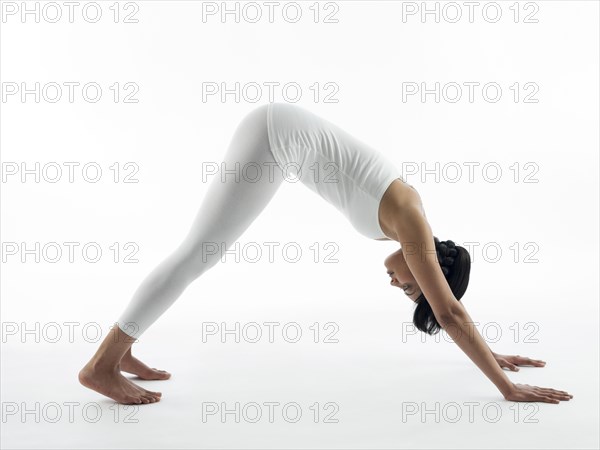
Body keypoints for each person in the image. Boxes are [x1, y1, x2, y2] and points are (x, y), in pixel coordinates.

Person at [79, 103, 573, 405]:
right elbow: (448, 309)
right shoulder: (412, 224)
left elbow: (445, 302)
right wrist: (505, 388)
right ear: (431, 264)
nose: (395, 283)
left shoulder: (413, 231)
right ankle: (101, 365)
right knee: (198, 254)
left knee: (199, 254)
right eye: (406, 285)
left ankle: (121, 352)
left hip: (278, 140)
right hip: (274, 137)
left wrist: (490, 352)